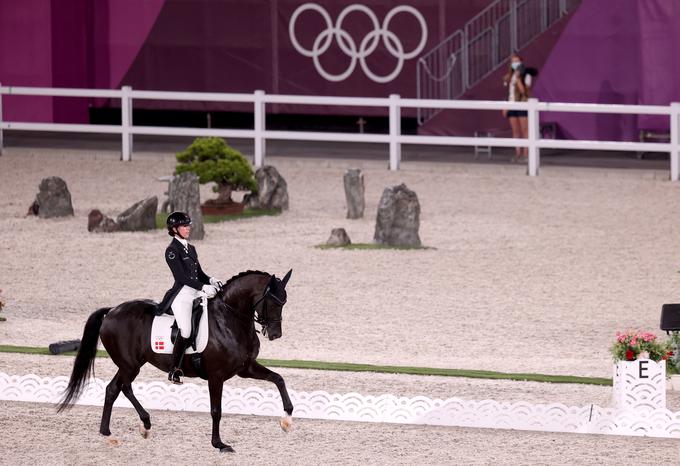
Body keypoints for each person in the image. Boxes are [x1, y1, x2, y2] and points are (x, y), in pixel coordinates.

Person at [159, 211, 222, 384]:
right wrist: (203, 286)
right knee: (186, 330)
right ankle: (174, 369)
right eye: (184, 226)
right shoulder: (172, 251)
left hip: (196, 292)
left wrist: (210, 280)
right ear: (174, 229)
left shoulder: (191, 248)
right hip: (182, 295)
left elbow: (198, 273)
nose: (188, 229)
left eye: (188, 226)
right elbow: (181, 278)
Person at [502, 53, 533, 161]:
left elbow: (524, 92)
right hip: (512, 105)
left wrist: (518, 79)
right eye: (513, 62)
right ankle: (518, 154)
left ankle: (526, 155)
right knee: (515, 130)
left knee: (525, 130)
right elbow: (509, 93)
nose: (515, 64)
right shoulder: (508, 76)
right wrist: (505, 106)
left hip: (523, 104)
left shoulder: (527, 76)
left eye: (517, 61)